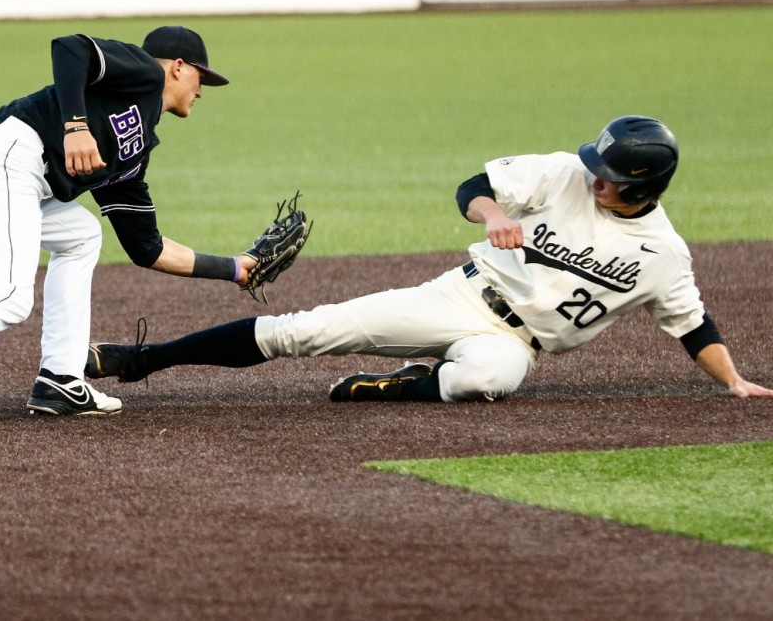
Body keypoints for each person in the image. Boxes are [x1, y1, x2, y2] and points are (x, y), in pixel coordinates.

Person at [87, 116, 773, 402]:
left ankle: (400, 383)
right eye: (599, 166)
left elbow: (692, 325)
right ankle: (141, 359)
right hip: (464, 295)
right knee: (302, 330)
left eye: (611, 176)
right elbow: (473, 188)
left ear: (644, 187)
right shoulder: (563, 172)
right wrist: (495, 215)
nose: (596, 177)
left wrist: (735, 381)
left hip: (517, 343)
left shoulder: (664, 254)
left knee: (488, 379)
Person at [0, 26, 260, 432]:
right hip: (3, 159)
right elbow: (71, 48)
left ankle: (60, 379)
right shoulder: (145, 73)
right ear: (178, 68)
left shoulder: (135, 152)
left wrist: (235, 268)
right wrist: (76, 127)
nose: (201, 91)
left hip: (12, 175)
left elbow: (148, 248)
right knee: (9, 293)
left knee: (82, 236)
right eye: (202, 77)